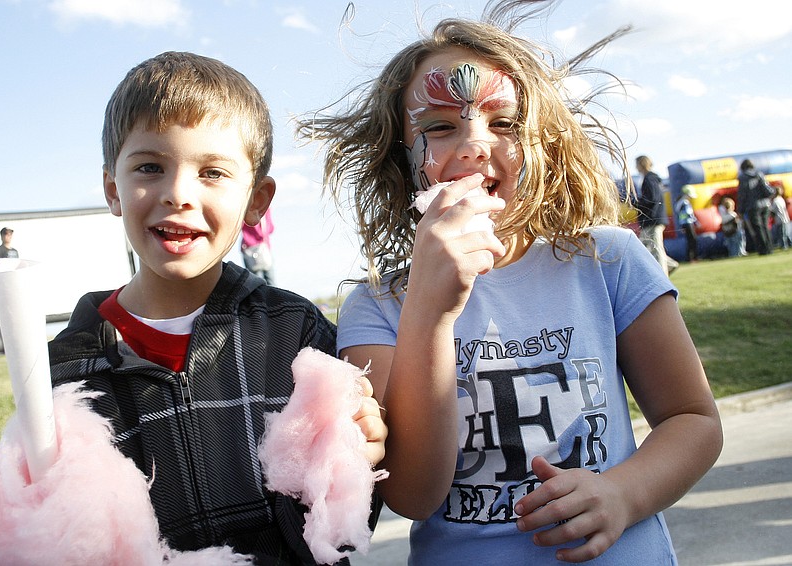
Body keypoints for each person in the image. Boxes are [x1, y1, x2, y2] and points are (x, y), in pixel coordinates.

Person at [298, 2, 722, 564]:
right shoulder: (375, 308)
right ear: (401, 160)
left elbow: (693, 421)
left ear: (542, 147)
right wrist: (429, 308)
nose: (475, 146)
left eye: (504, 124)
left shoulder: (608, 262)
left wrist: (624, 491)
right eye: (440, 127)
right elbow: (412, 494)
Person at [47, 51, 386, 562]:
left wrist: (361, 461)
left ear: (257, 201)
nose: (178, 194)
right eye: (149, 167)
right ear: (112, 189)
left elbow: (343, 525)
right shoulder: (66, 368)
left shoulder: (295, 333)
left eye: (212, 173)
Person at [634, 156, 675, 275]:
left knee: (655, 248)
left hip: (652, 219)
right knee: (645, 247)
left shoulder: (649, 179)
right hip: (652, 219)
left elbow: (651, 199)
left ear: (641, 164)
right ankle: (670, 264)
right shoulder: (651, 179)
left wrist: (635, 202)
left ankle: (663, 276)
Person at [737, 158, 774, 255]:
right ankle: (769, 247)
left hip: (753, 206)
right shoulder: (759, 174)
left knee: (758, 228)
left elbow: (742, 195)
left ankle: (763, 249)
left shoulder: (743, 177)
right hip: (765, 204)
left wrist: (740, 210)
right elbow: (767, 189)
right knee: (765, 226)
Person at [241, 207, 276, 284]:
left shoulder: (243, 209)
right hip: (263, 248)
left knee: (256, 284)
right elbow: (270, 229)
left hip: (248, 249)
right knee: (271, 282)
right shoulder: (265, 208)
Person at [675, 185, 700, 262]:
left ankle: (690, 258)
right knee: (692, 240)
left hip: (684, 224)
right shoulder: (685, 203)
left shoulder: (680, 203)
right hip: (688, 223)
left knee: (690, 240)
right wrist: (696, 222)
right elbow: (689, 214)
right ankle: (693, 258)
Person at [769, 185, 791, 249]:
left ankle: (784, 245)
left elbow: (772, 211)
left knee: (782, 233)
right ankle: (787, 244)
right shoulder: (781, 199)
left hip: (780, 218)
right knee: (786, 232)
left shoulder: (775, 201)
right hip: (785, 218)